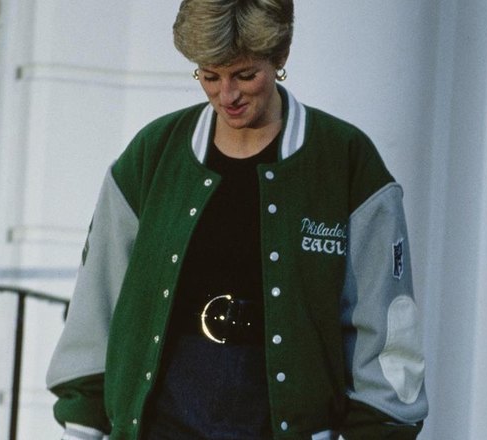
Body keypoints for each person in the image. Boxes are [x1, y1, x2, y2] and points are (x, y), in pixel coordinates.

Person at [46, 1, 428, 438]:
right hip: (162, 416)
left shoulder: (345, 160)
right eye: (210, 76)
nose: (227, 95)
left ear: (280, 57)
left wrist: (381, 427)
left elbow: (384, 321)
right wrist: (82, 425)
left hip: (276, 423)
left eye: (245, 75)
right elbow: (98, 299)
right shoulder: (154, 153)